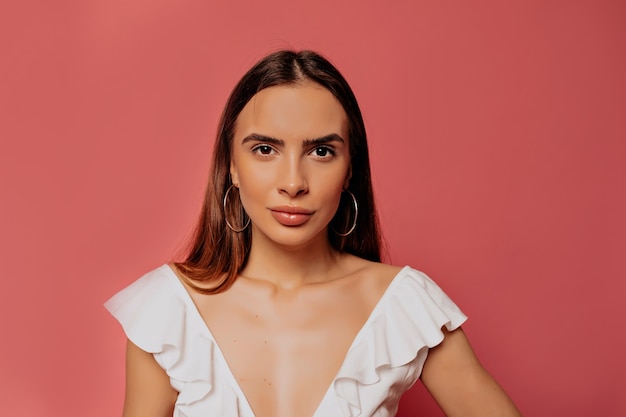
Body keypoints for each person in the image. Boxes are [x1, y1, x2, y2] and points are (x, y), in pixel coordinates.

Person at [105, 50, 521, 417]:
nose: (293, 182)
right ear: (230, 165)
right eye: (265, 149)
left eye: (321, 151)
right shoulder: (169, 311)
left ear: (349, 170)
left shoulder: (402, 306)